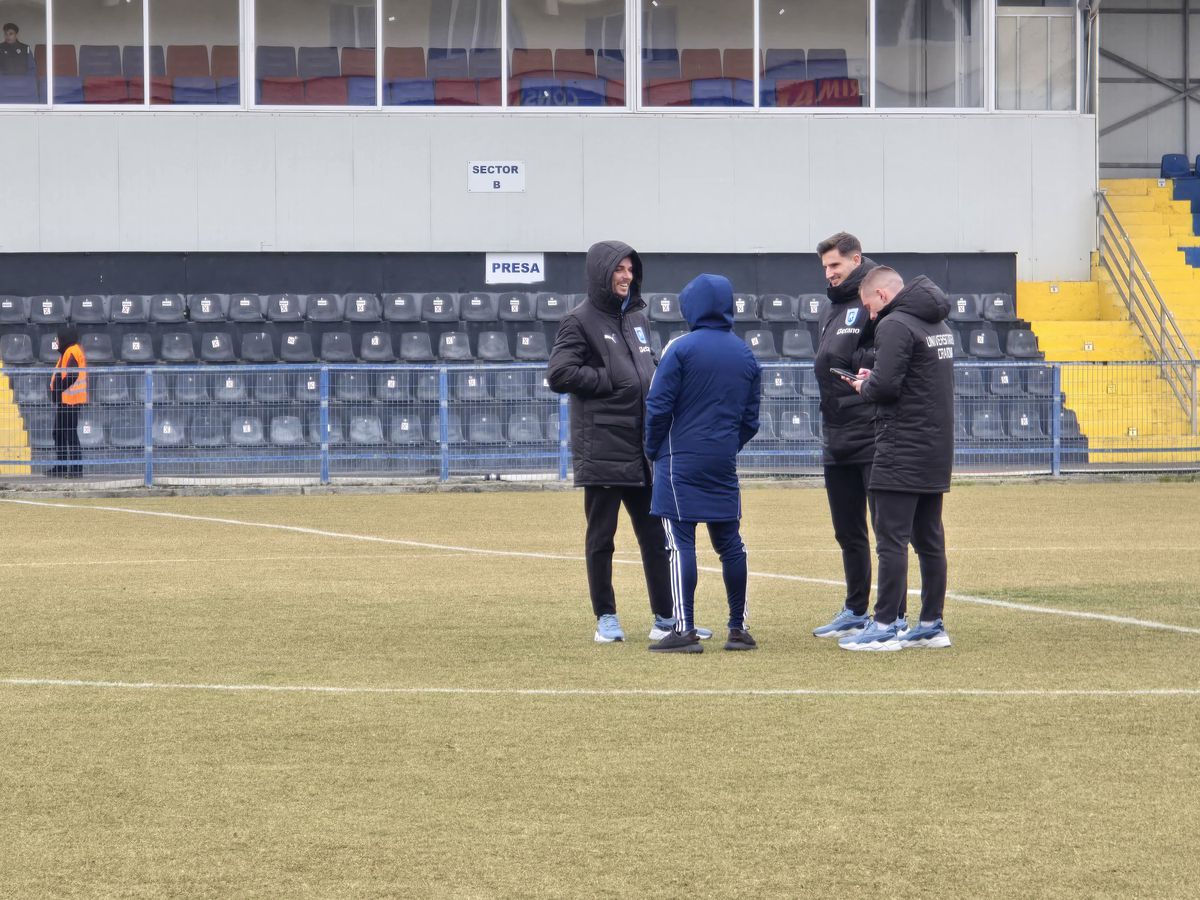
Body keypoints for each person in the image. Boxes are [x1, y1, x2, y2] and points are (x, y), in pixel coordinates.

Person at [548, 240, 710, 643]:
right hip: (602, 446)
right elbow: (560, 374)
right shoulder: (578, 320)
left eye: (629, 269)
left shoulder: (639, 318)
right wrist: (611, 380)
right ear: (601, 272)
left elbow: (645, 366)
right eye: (618, 269)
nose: (626, 276)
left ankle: (666, 619)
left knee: (656, 537)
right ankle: (606, 618)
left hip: (642, 448)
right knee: (602, 538)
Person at [644, 274, 761, 654]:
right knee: (730, 544)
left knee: (680, 544)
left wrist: (653, 448)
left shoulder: (680, 349)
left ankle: (684, 628)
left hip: (678, 460)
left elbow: (658, 407)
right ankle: (738, 629)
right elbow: (751, 419)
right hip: (722, 461)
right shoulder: (745, 354)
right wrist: (726, 446)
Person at [839, 266, 954, 651]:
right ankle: (931, 624)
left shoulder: (895, 325)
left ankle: (886, 623)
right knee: (929, 538)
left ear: (883, 297)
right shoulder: (938, 325)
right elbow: (911, 379)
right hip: (934, 449)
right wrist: (879, 377)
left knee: (891, 540)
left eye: (871, 307)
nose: (871, 316)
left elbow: (886, 387)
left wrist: (863, 384)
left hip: (901, 447)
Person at [810, 232, 906, 639]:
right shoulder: (831, 309)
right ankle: (855, 608)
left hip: (870, 430)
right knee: (847, 529)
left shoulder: (876, 299)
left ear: (856, 259)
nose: (829, 274)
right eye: (825, 268)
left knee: (885, 530)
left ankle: (893, 615)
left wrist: (855, 363)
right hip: (836, 432)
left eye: (836, 265)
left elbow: (892, 352)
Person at [49, 325, 88, 479]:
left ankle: (76, 469)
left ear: (64, 338)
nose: (56, 341)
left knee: (70, 434)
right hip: (65, 401)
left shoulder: (72, 351)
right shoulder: (67, 352)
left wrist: (58, 391)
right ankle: (61, 467)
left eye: (58, 338)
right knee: (59, 433)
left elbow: (72, 375)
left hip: (71, 401)